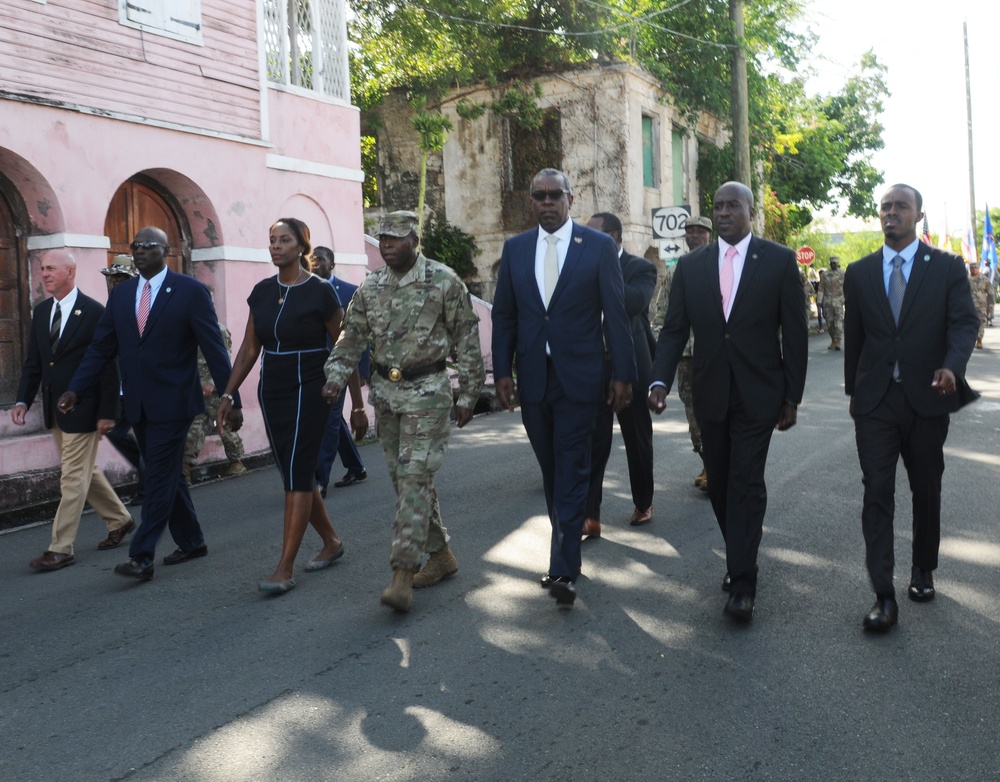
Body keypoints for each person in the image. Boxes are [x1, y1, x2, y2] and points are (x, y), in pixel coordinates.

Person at [648, 181, 808, 623]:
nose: (722, 213)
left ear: (749, 211)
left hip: (760, 395)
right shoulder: (692, 267)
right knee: (718, 483)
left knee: (745, 482)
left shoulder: (779, 261)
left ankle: (743, 581)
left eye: (731, 206)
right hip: (711, 393)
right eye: (717, 206)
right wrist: (658, 379)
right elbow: (675, 330)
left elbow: (794, 335)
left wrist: (792, 396)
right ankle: (739, 553)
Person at [322, 211, 485, 613]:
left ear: (415, 239)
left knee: (414, 479)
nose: (388, 246)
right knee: (404, 481)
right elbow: (351, 336)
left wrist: (468, 393)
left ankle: (402, 573)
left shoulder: (444, 280)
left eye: (396, 238)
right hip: (386, 394)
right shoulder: (371, 286)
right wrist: (335, 377)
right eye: (383, 240)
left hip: (428, 392)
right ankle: (441, 554)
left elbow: (466, 337)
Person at [58, 226, 242, 582]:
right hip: (139, 404)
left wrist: (228, 396)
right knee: (168, 475)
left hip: (175, 403)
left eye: (147, 246)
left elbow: (213, 347)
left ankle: (141, 555)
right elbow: (101, 348)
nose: (139, 251)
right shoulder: (123, 294)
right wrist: (76, 388)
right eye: (134, 247)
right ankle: (192, 541)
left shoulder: (190, 292)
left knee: (157, 475)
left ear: (165, 250)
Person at [492, 168, 636, 607]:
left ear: (571, 200)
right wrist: (502, 372)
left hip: (581, 379)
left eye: (556, 195)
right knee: (552, 469)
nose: (548, 202)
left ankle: (563, 568)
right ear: (531, 202)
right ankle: (565, 554)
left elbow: (615, 312)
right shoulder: (515, 249)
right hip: (535, 379)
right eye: (540, 195)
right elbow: (505, 316)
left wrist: (623, 374)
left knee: (572, 467)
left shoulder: (595, 247)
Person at [844, 183, 979, 633]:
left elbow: (963, 323)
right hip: (876, 401)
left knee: (926, 486)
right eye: (885, 207)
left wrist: (952, 367)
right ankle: (882, 595)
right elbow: (856, 339)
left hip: (927, 396)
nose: (892, 213)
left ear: (918, 215)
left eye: (901, 206)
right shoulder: (859, 272)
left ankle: (923, 568)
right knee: (876, 492)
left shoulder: (945, 267)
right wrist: (853, 394)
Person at [217, 219, 349, 594]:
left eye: (285, 240)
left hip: (313, 386)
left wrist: (354, 401)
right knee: (296, 473)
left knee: (296, 470)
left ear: (302, 245)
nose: (276, 246)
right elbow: (248, 349)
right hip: (273, 388)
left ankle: (284, 567)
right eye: (272, 240)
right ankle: (332, 542)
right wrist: (228, 394)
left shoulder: (321, 292)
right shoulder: (261, 292)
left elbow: (344, 345)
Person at [12, 249, 135, 571]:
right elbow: (34, 363)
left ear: (71, 271)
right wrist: (23, 400)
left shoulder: (94, 313)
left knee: (71, 477)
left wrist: (108, 411)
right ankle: (120, 519)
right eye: (42, 269)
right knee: (83, 472)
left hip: (85, 407)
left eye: (51, 268)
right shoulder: (40, 313)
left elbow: (108, 365)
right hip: (56, 410)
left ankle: (61, 547)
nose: (45, 273)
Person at [583, 212, 657, 536]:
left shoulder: (640, 268)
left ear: (614, 237)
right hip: (594, 366)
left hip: (629, 366)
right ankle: (590, 515)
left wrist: (603, 274)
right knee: (592, 442)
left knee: (636, 438)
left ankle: (643, 501)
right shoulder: (581, 266)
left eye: (593, 235)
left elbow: (635, 302)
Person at [653, 215, 713, 491]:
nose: (695, 236)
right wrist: (660, 354)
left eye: (701, 231)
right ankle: (708, 463)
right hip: (686, 356)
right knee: (693, 412)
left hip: (716, 354)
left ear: (710, 235)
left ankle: (718, 465)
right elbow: (663, 315)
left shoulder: (722, 264)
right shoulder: (677, 271)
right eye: (690, 231)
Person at [312, 246, 368, 496]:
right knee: (332, 420)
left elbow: (360, 335)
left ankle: (319, 481)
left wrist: (362, 370)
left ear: (331, 265)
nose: (315, 263)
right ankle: (356, 466)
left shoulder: (349, 292)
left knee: (327, 419)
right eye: (312, 259)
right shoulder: (304, 290)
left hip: (341, 366)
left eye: (320, 260)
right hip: (312, 368)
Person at [100, 255, 145, 506]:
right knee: (116, 431)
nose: (115, 283)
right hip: (119, 386)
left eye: (120, 278)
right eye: (112, 278)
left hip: (142, 386)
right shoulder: (112, 306)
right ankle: (148, 469)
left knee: (145, 434)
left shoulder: (143, 306)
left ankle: (148, 487)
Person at [183, 320, 248, 483]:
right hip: (194, 387)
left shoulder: (218, 330)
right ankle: (185, 468)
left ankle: (236, 461)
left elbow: (224, 357)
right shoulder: (186, 329)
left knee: (225, 426)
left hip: (216, 390)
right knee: (192, 430)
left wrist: (212, 382)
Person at [819, 256, 845, 350]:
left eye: (835, 263)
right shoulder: (825, 275)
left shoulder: (843, 274)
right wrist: (819, 300)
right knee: (829, 322)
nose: (833, 264)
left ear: (837, 263)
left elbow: (847, 287)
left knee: (838, 322)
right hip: (828, 301)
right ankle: (833, 340)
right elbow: (821, 288)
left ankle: (838, 340)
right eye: (832, 263)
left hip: (838, 300)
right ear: (830, 263)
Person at [968, 263, 993, 349]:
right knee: (969, 324)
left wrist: (990, 305)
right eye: (972, 268)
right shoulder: (965, 280)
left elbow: (991, 293)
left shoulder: (985, 280)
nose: (974, 269)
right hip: (968, 306)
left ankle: (979, 339)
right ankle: (970, 340)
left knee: (981, 323)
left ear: (979, 268)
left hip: (981, 305)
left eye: (976, 268)